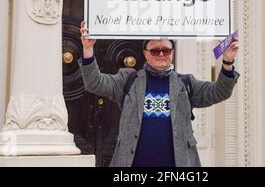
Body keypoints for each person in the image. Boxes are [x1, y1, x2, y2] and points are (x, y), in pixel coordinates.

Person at [78, 21, 239, 167]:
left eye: (166, 50)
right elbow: (95, 83)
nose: (161, 54)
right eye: (155, 51)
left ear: (172, 53)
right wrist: (88, 49)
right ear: (146, 54)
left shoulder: (186, 83)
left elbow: (220, 92)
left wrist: (228, 61)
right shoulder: (128, 80)